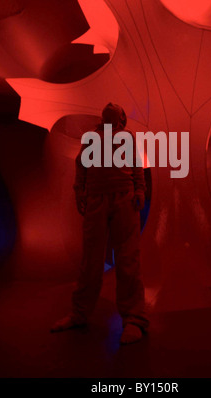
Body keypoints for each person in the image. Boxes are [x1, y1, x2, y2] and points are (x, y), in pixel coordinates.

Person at [51, 103, 149, 344]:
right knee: (91, 259)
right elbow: (81, 165)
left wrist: (139, 189)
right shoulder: (92, 138)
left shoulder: (126, 137)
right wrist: (79, 191)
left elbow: (136, 165)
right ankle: (79, 313)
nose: (111, 110)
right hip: (97, 197)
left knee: (127, 258)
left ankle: (134, 318)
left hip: (123, 197)